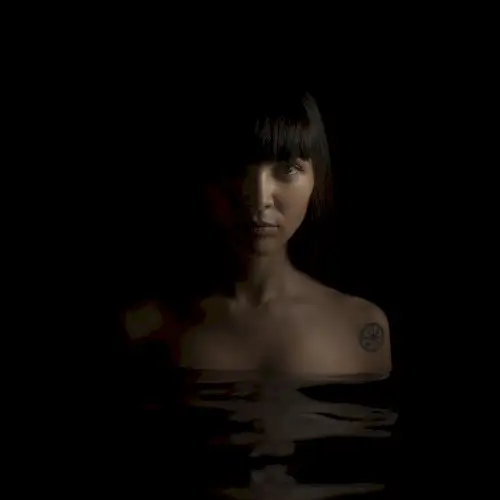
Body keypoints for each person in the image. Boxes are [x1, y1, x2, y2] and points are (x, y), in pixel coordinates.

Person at [120, 89, 397, 498]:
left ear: (316, 177)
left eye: (287, 169)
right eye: (236, 168)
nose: (259, 198)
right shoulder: (146, 328)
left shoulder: (365, 328)